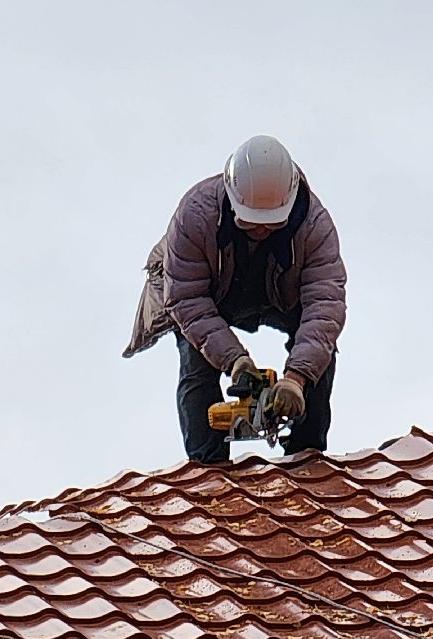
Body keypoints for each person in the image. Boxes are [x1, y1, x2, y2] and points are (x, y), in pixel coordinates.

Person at [123, 135, 347, 463]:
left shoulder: (315, 227)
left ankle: (305, 456)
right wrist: (234, 361)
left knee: (320, 351)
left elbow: (324, 309)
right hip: (209, 297)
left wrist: (296, 379)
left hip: (279, 295)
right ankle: (208, 467)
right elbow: (187, 300)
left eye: (270, 225)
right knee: (195, 362)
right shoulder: (194, 216)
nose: (259, 231)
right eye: (249, 222)